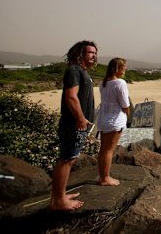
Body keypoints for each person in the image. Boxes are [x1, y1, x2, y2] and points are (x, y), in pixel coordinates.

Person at [50, 40, 98, 211]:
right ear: (80, 54)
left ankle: (59, 194)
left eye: (95, 52)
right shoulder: (74, 70)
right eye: (90, 52)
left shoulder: (81, 71)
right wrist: (80, 118)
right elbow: (71, 96)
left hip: (78, 124)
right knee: (66, 160)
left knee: (69, 158)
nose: (94, 55)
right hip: (74, 124)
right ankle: (58, 201)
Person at [96, 58, 130, 186]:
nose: (125, 70)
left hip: (104, 119)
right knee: (109, 150)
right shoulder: (120, 83)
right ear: (117, 69)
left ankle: (102, 176)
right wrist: (128, 114)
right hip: (115, 120)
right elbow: (125, 104)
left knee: (103, 149)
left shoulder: (103, 83)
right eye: (124, 67)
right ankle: (105, 178)